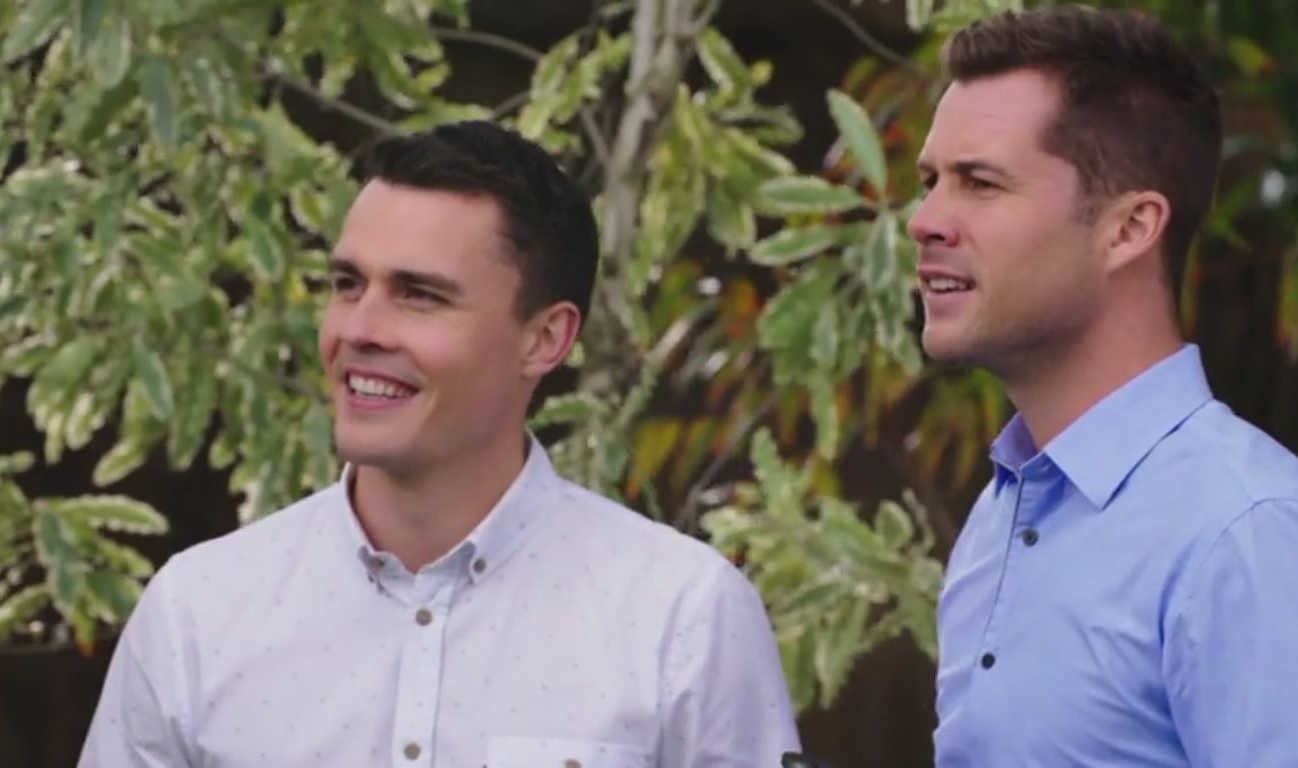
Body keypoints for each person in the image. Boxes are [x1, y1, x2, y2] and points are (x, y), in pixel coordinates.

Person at [79, 121, 799, 767]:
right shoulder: (197, 614)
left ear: (544, 339)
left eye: (419, 295)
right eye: (347, 284)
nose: (360, 329)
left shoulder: (682, 617)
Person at [911, 7, 1298, 766]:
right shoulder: (1000, 516)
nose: (926, 220)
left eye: (980, 183)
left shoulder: (1248, 535)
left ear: (1130, 228)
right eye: (930, 181)